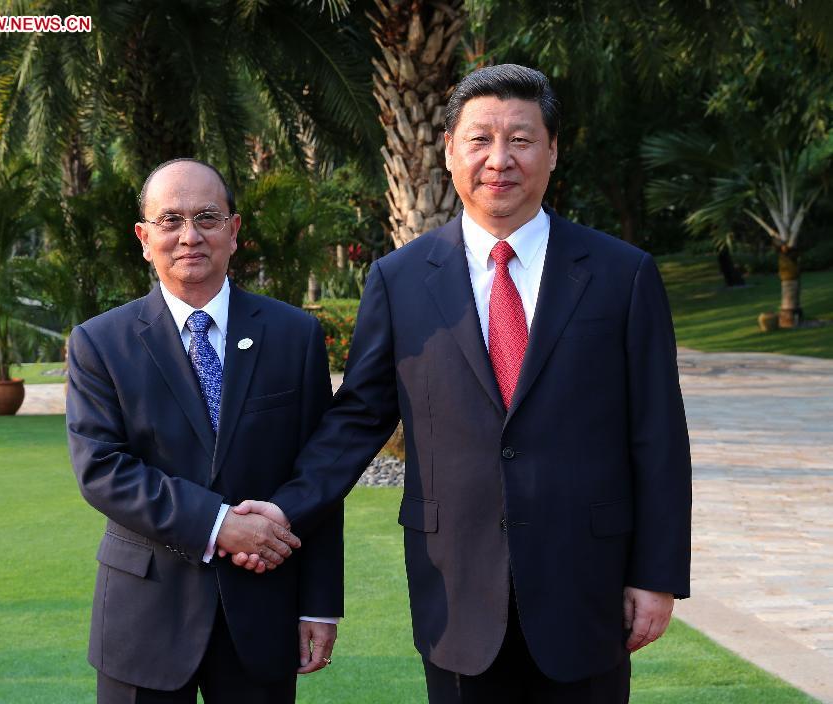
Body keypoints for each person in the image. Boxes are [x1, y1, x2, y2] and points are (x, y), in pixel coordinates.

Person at [233, 65, 691, 703]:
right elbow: (360, 417)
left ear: (553, 151)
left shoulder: (622, 274)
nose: (499, 159)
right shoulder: (399, 279)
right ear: (449, 151)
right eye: (480, 139)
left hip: (587, 587)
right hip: (454, 592)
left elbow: (659, 435)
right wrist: (286, 507)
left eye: (522, 140)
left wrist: (657, 575)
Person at [65, 158, 343, 703]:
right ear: (145, 238)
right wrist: (218, 525)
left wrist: (317, 603)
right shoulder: (100, 343)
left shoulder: (295, 336)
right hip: (143, 616)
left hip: (263, 613)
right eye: (170, 220)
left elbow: (319, 478)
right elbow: (102, 470)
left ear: (234, 232)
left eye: (207, 218)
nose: (189, 235)